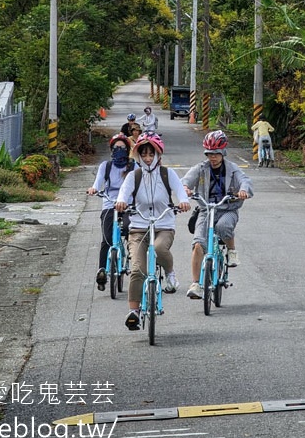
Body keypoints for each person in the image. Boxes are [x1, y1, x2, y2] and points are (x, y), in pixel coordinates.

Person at [115, 132, 189, 330]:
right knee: (137, 269)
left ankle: (170, 273)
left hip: (163, 225)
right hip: (139, 228)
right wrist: (121, 201)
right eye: (144, 154)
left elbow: (180, 191)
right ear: (138, 156)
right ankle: (134, 311)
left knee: (158, 249)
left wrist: (184, 202)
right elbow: (124, 191)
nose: (148, 158)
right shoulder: (134, 175)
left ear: (158, 155)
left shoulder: (167, 173)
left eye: (151, 154)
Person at [182, 129, 252, 299]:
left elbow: (245, 181)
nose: (212, 157)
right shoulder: (201, 168)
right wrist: (185, 188)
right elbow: (186, 180)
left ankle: (232, 250)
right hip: (206, 210)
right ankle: (196, 284)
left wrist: (243, 191)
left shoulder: (232, 169)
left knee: (223, 226)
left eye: (216, 154)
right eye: (209, 154)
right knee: (198, 243)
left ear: (223, 153)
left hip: (227, 208)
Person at [86, 133, 132, 291]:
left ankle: (130, 256)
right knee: (106, 238)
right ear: (112, 149)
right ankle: (102, 271)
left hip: (128, 206)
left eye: (123, 148)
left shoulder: (133, 167)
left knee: (130, 230)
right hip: (109, 205)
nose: (119, 150)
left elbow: (141, 184)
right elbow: (97, 183)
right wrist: (93, 189)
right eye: (116, 147)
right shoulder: (105, 166)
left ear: (128, 150)